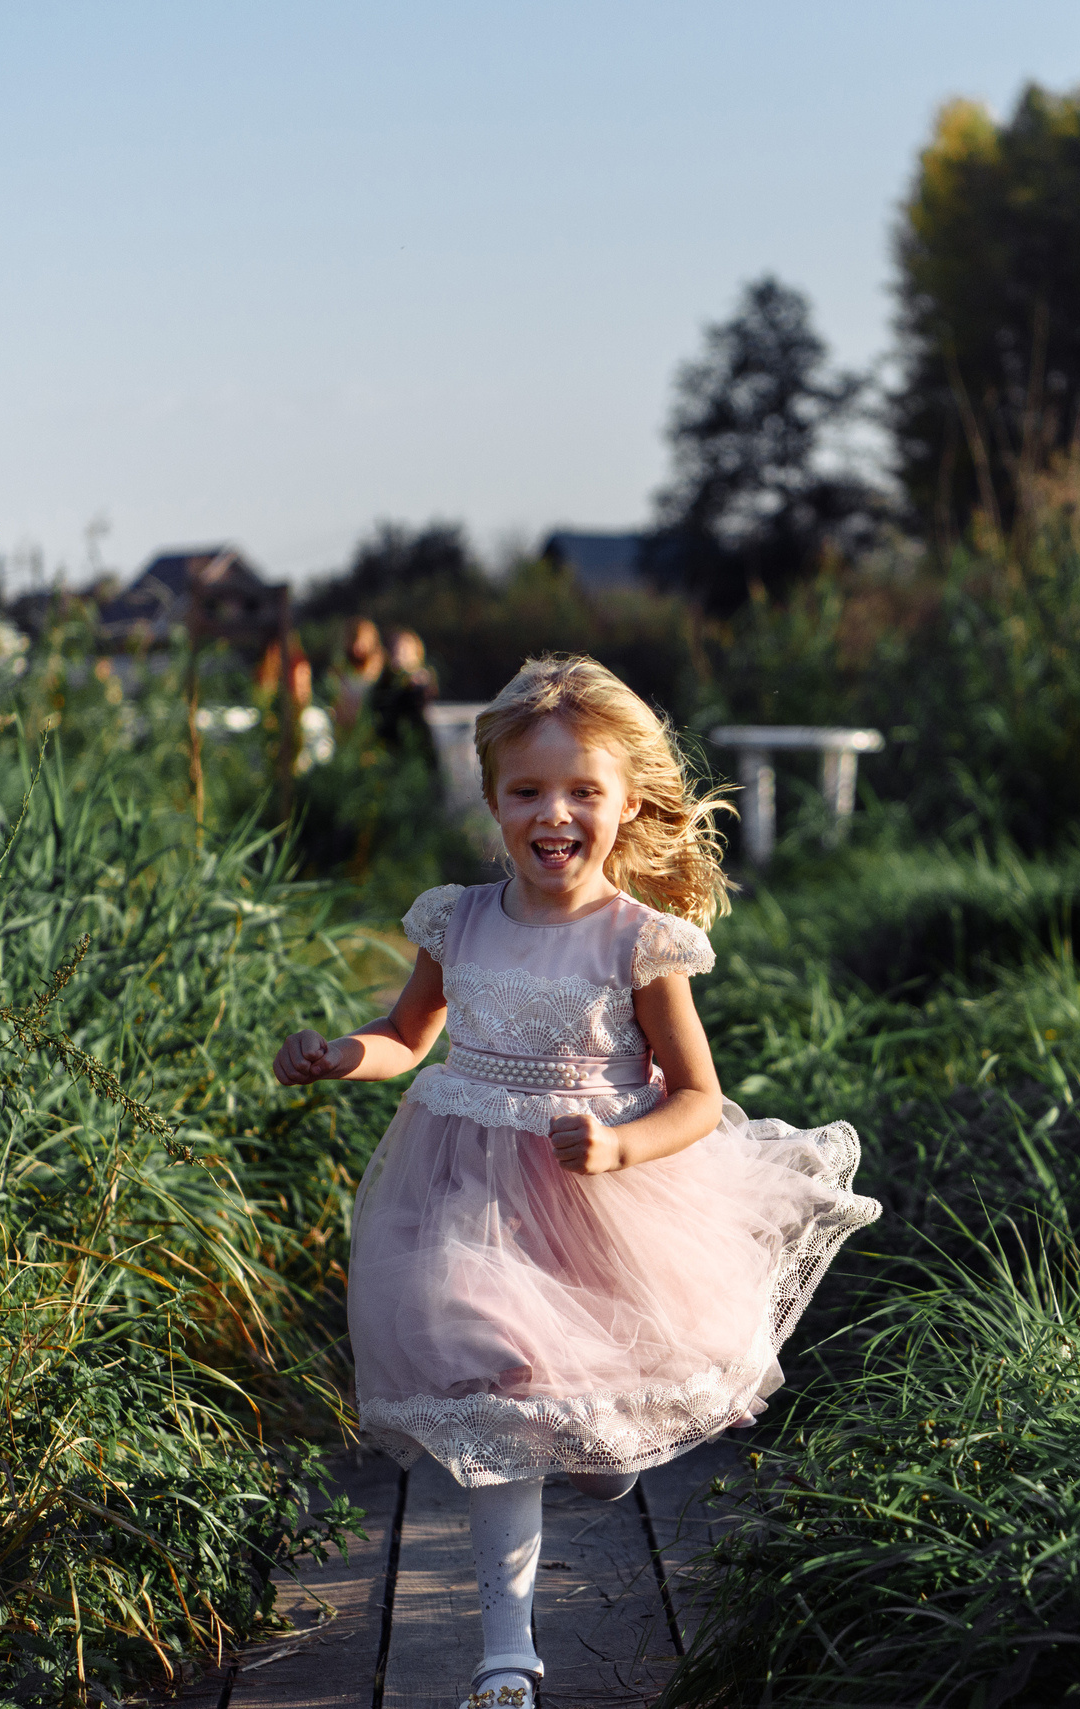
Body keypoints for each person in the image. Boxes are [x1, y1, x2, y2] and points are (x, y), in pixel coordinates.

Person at [274, 656, 878, 1709]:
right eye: (526, 791)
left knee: (590, 1445)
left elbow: (694, 1095)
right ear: (493, 797)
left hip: (601, 1198)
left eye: (580, 791)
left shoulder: (637, 941)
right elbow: (407, 1037)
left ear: (626, 803)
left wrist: (616, 1143)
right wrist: (340, 1052)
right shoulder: (457, 918)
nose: (552, 813)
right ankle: (506, 1656)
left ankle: (608, 1454)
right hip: (466, 1192)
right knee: (503, 1389)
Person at [366, 626, 437, 756]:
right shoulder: (382, 683)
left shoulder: (421, 684)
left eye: (405, 651)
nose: (399, 655)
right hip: (387, 748)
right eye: (395, 649)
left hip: (416, 749)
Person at [330, 617, 386, 738]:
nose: (357, 647)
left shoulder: (384, 675)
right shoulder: (340, 671)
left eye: (362, 640)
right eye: (354, 639)